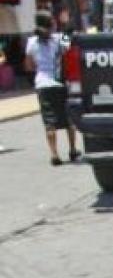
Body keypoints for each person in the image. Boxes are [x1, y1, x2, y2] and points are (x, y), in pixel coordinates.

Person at [25, 11, 78, 166]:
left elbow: (28, 65)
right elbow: (70, 47)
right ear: (52, 23)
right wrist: (67, 23)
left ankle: (54, 155)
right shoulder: (60, 38)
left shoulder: (31, 42)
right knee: (68, 120)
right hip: (61, 84)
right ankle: (73, 149)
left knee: (50, 122)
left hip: (43, 84)